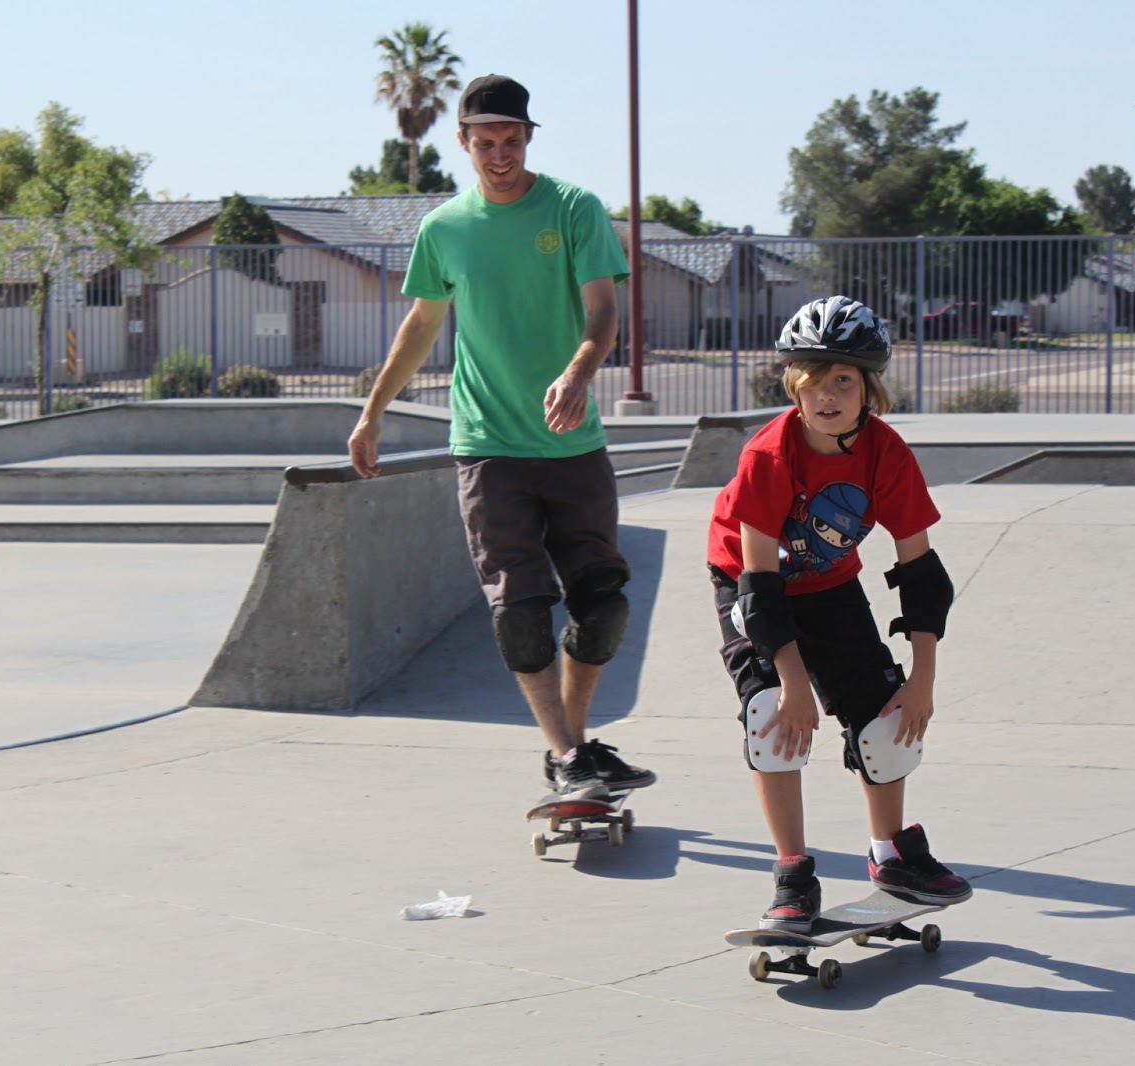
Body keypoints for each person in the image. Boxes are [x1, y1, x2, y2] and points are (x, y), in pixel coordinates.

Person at [347, 74, 655, 802]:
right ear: (463, 143)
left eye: (511, 141)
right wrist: (372, 412)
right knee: (519, 614)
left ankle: (570, 751)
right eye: (483, 143)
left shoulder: (574, 208)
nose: (498, 155)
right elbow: (419, 326)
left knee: (603, 606)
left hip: (574, 444)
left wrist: (580, 372)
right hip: (488, 446)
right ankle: (568, 751)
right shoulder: (444, 228)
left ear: (528, 138)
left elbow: (603, 313)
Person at [706, 296, 971, 933]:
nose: (828, 395)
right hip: (749, 579)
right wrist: (794, 683)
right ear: (793, 385)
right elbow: (760, 589)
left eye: (844, 380)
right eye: (813, 380)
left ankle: (892, 857)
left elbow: (921, 575)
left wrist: (923, 676)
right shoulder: (769, 456)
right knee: (770, 714)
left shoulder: (886, 453)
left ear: (868, 389)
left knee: (886, 714)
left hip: (830, 583)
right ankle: (792, 875)